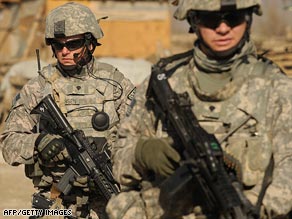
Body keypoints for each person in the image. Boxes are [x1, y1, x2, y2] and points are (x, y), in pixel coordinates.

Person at [105, 0, 292, 218]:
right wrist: (142, 153)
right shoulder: (163, 83)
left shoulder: (276, 89)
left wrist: (258, 211)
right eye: (211, 19)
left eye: (233, 18)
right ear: (194, 20)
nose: (223, 29)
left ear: (248, 19)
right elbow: (118, 163)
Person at [0, 2, 135, 219]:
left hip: (105, 200)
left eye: (74, 44)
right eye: (57, 44)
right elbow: (8, 143)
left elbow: (141, 135)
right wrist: (38, 142)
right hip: (57, 200)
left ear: (91, 43)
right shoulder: (39, 87)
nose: (64, 51)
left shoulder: (115, 84)